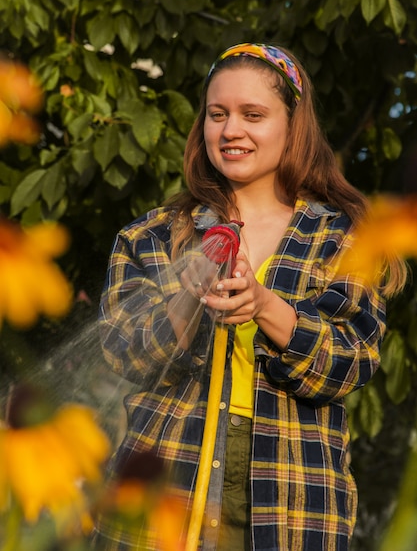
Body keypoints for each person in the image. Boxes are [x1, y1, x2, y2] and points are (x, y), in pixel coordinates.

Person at [92, 43, 406, 551]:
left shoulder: (341, 239)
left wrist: (263, 305)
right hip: (160, 494)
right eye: (218, 114)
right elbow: (123, 353)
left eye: (252, 115)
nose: (230, 130)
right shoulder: (152, 236)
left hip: (291, 499)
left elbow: (349, 363)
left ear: (293, 124)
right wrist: (185, 301)